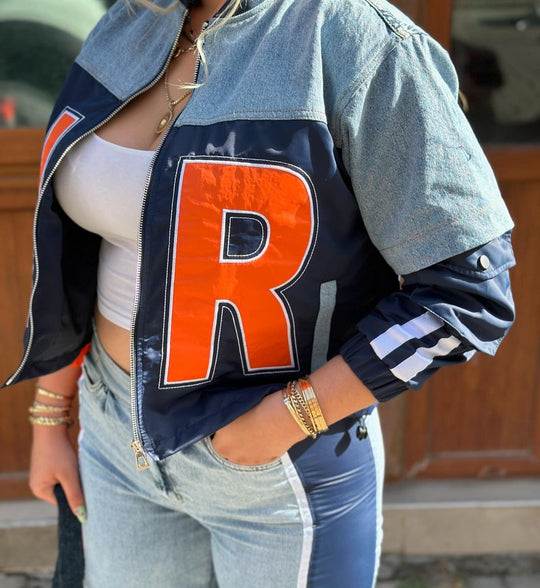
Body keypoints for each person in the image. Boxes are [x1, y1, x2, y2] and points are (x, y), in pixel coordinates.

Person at [6, 0, 515, 586]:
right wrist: (52, 411)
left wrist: (283, 422)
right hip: (113, 433)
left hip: (276, 467)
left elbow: (467, 294)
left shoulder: (358, 41)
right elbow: (86, 250)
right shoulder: (135, 18)